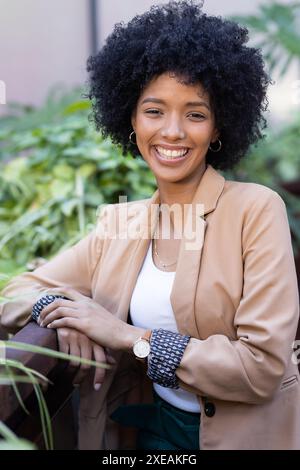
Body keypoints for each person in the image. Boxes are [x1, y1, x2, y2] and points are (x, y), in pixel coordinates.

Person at [1, 0, 300, 450]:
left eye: (195, 114)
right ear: (132, 120)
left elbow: (259, 367)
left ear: (218, 127)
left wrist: (124, 335)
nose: (173, 131)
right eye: (154, 110)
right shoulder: (120, 223)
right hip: (148, 431)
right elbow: (15, 291)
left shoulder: (256, 211)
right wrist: (60, 315)